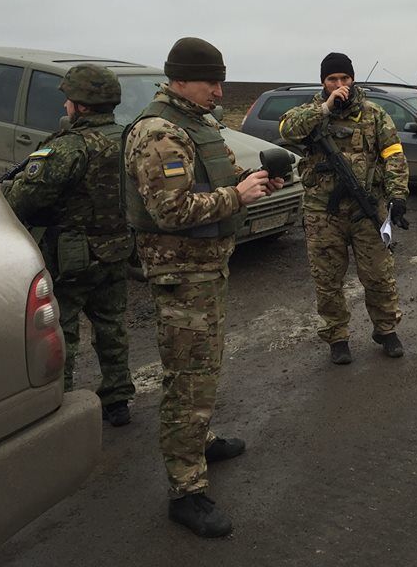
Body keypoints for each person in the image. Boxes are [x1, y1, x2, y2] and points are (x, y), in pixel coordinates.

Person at [123, 37, 284, 538]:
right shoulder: (159, 134)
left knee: (203, 368)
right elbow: (170, 211)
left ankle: (200, 437)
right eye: (211, 81)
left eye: (221, 79)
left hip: (206, 269)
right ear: (181, 79)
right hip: (181, 273)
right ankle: (186, 489)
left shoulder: (198, 124)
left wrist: (253, 180)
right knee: (187, 378)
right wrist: (236, 196)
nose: (219, 89)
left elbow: (217, 177)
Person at [4, 64, 136, 427]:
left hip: (72, 258)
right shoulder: (129, 138)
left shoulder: (68, 147)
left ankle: (58, 407)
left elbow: (24, 200)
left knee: (63, 331)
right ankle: (118, 399)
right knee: (112, 326)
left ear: (82, 105)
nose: (65, 105)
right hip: (117, 249)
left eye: (70, 99)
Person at [279, 52, 410, 366]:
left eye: (344, 79)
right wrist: (324, 108)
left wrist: (398, 196)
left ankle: (386, 329)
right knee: (328, 280)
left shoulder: (374, 114)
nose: (339, 85)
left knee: (379, 275)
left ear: (353, 79)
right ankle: (337, 336)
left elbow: (393, 154)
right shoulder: (309, 112)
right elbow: (287, 130)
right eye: (332, 80)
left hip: (367, 210)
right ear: (323, 82)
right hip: (323, 213)